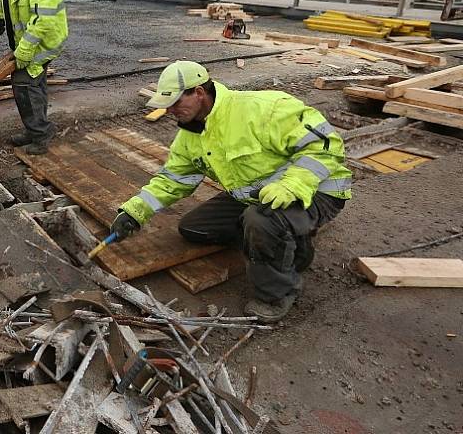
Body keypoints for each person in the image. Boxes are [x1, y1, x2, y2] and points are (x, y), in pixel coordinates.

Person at [113, 61, 352, 323]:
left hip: (317, 189)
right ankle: (286, 242)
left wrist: (292, 185)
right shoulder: (190, 136)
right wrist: (135, 211)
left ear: (199, 93)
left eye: (175, 102)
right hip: (258, 195)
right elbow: (174, 179)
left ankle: (278, 292)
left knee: (260, 221)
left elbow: (326, 144)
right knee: (194, 228)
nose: (169, 111)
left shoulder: (262, 108)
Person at [0, 0, 68, 155]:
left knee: (24, 83)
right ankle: (37, 129)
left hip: (44, 41)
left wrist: (25, 51)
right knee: (34, 83)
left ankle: (40, 135)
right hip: (25, 39)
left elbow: (43, 20)